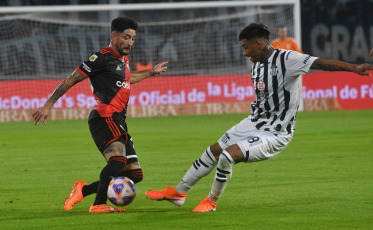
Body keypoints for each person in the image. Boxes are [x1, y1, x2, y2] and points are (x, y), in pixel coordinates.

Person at [145, 23, 373, 212]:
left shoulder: (288, 59)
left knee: (227, 156)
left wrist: (354, 68)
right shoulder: (256, 66)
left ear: (258, 43)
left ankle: (211, 201)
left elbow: (321, 63)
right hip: (254, 122)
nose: (244, 52)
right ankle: (180, 192)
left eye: (246, 47)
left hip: (276, 132)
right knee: (213, 150)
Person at [33, 17, 168, 213]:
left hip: (118, 118)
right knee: (118, 161)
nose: (130, 42)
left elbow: (129, 78)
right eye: (126, 37)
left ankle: (83, 189)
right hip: (105, 116)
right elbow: (72, 79)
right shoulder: (100, 58)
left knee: (135, 174)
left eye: (133, 38)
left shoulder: (123, 59)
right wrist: (48, 104)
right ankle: (98, 204)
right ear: (114, 36)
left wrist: (152, 72)